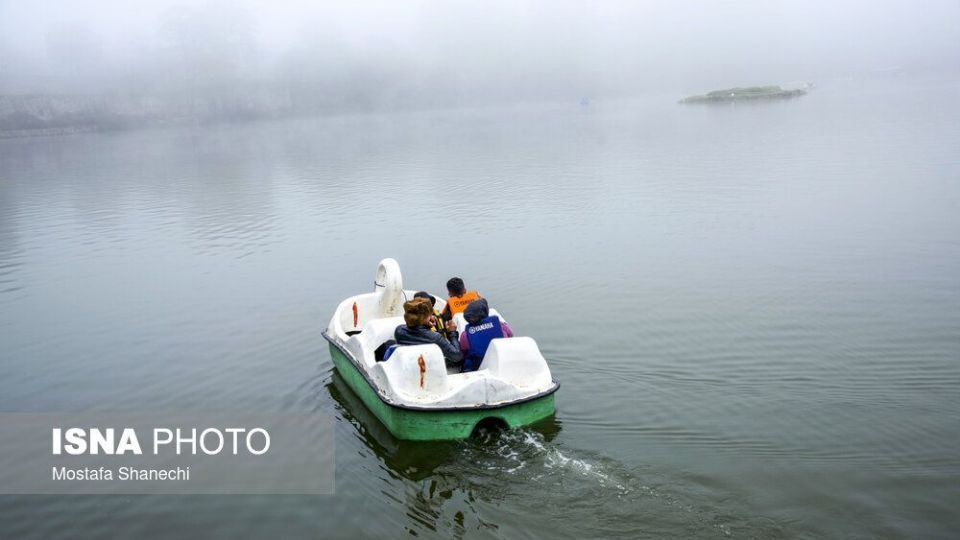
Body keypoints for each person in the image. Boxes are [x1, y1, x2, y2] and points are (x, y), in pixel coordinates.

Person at [394, 297, 462, 368]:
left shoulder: (399, 330)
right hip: (427, 369)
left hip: (410, 366)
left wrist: (425, 323)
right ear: (426, 317)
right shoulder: (435, 337)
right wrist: (452, 332)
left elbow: (416, 331)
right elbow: (456, 356)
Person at [459, 298, 513, 372]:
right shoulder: (500, 325)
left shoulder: (465, 335)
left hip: (478, 366)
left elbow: (464, 351)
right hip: (501, 360)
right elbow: (510, 334)